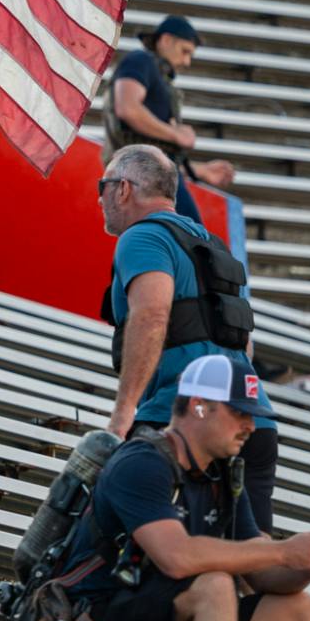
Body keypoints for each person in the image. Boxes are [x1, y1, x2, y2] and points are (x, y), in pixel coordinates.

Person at [55, 354, 310, 621]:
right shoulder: (142, 462)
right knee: (215, 585)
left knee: (305, 610)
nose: (250, 426)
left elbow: (262, 573)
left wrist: (308, 565)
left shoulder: (222, 476)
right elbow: (176, 558)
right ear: (198, 405)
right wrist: (286, 552)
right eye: (239, 412)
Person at [99, 144, 281, 534]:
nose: (100, 197)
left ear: (124, 189)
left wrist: (122, 414)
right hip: (253, 420)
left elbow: (152, 315)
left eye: (104, 185)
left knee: (147, 548)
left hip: (185, 421)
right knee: (252, 562)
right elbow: (242, 341)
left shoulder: (142, 236)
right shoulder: (211, 244)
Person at [105, 16, 235, 224]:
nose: (187, 62)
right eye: (185, 51)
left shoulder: (155, 74)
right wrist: (176, 133)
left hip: (148, 178)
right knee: (190, 242)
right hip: (145, 179)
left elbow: (153, 152)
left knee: (171, 246)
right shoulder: (140, 60)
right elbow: (127, 108)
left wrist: (201, 170)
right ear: (166, 40)